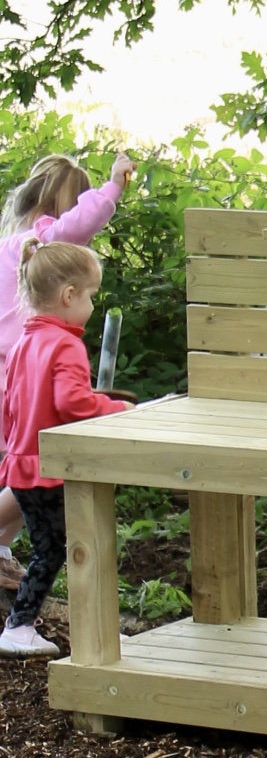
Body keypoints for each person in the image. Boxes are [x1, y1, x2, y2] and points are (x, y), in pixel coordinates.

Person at [0, 151, 133, 582]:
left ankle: (2, 549)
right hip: (23, 374)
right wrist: (112, 186)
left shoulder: (8, 248)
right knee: (33, 474)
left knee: (22, 468)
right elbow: (73, 228)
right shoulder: (35, 243)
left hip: (14, 375)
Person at [0, 241, 131, 658]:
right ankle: (20, 626)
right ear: (69, 295)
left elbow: (8, 405)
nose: (93, 307)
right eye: (91, 295)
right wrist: (118, 408)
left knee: (66, 546)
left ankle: (94, 627)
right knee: (63, 549)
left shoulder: (24, 341)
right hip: (51, 467)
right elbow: (74, 403)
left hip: (22, 462)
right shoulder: (66, 344)